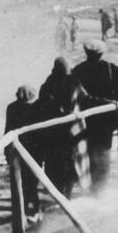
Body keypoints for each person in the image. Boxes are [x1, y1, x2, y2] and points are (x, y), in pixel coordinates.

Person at [70, 41, 118, 190]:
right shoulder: (112, 69)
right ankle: (101, 187)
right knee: (103, 152)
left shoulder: (78, 71)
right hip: (106, 118)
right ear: (101, 53)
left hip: (85, 120)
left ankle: (90, 185)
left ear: (86, 52)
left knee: (88, 151)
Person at [37, 58, 82, 196]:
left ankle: (61, 194)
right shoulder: (72, 82)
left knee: (57, 164)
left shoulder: (48, 84)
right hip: (66, 131)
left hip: (56, 132)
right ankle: (64, 195)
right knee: (65, 163)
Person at [4, 85, 44, 220]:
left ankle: (31, 210)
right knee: (28, 182)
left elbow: (7, 130)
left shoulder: (13, 108)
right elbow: (8, 130)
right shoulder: (34, 107)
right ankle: (29, 210)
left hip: (31, 150)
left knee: (29, 182)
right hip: (27, 150)